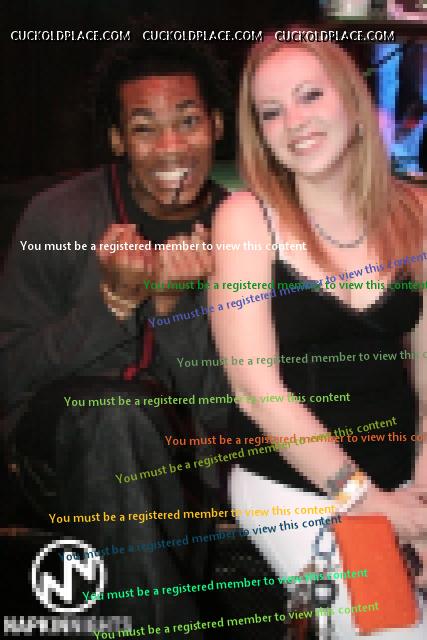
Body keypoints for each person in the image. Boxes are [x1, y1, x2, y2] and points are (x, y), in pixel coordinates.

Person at [0, 38, 230, 630]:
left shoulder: (245, 232)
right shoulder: (59, 216)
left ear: (216, 125)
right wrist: (112, 306)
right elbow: (9, 373)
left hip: (189, 464)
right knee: (112, 413)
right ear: (118, 140)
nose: (171, 147)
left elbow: (223, 412)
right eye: (145, 128)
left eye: (187, 122)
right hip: (54, 460)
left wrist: (173, 310)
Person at [209, 35, 427, 638]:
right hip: (294, 481)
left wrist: (420, 493)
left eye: (309, 96)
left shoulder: (416, 214)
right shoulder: (246, 219)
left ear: (353, 103)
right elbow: (256, 392)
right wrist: (368, 502)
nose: (294, 122)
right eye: (271, 111)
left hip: (403, 471)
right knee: (395, 632)